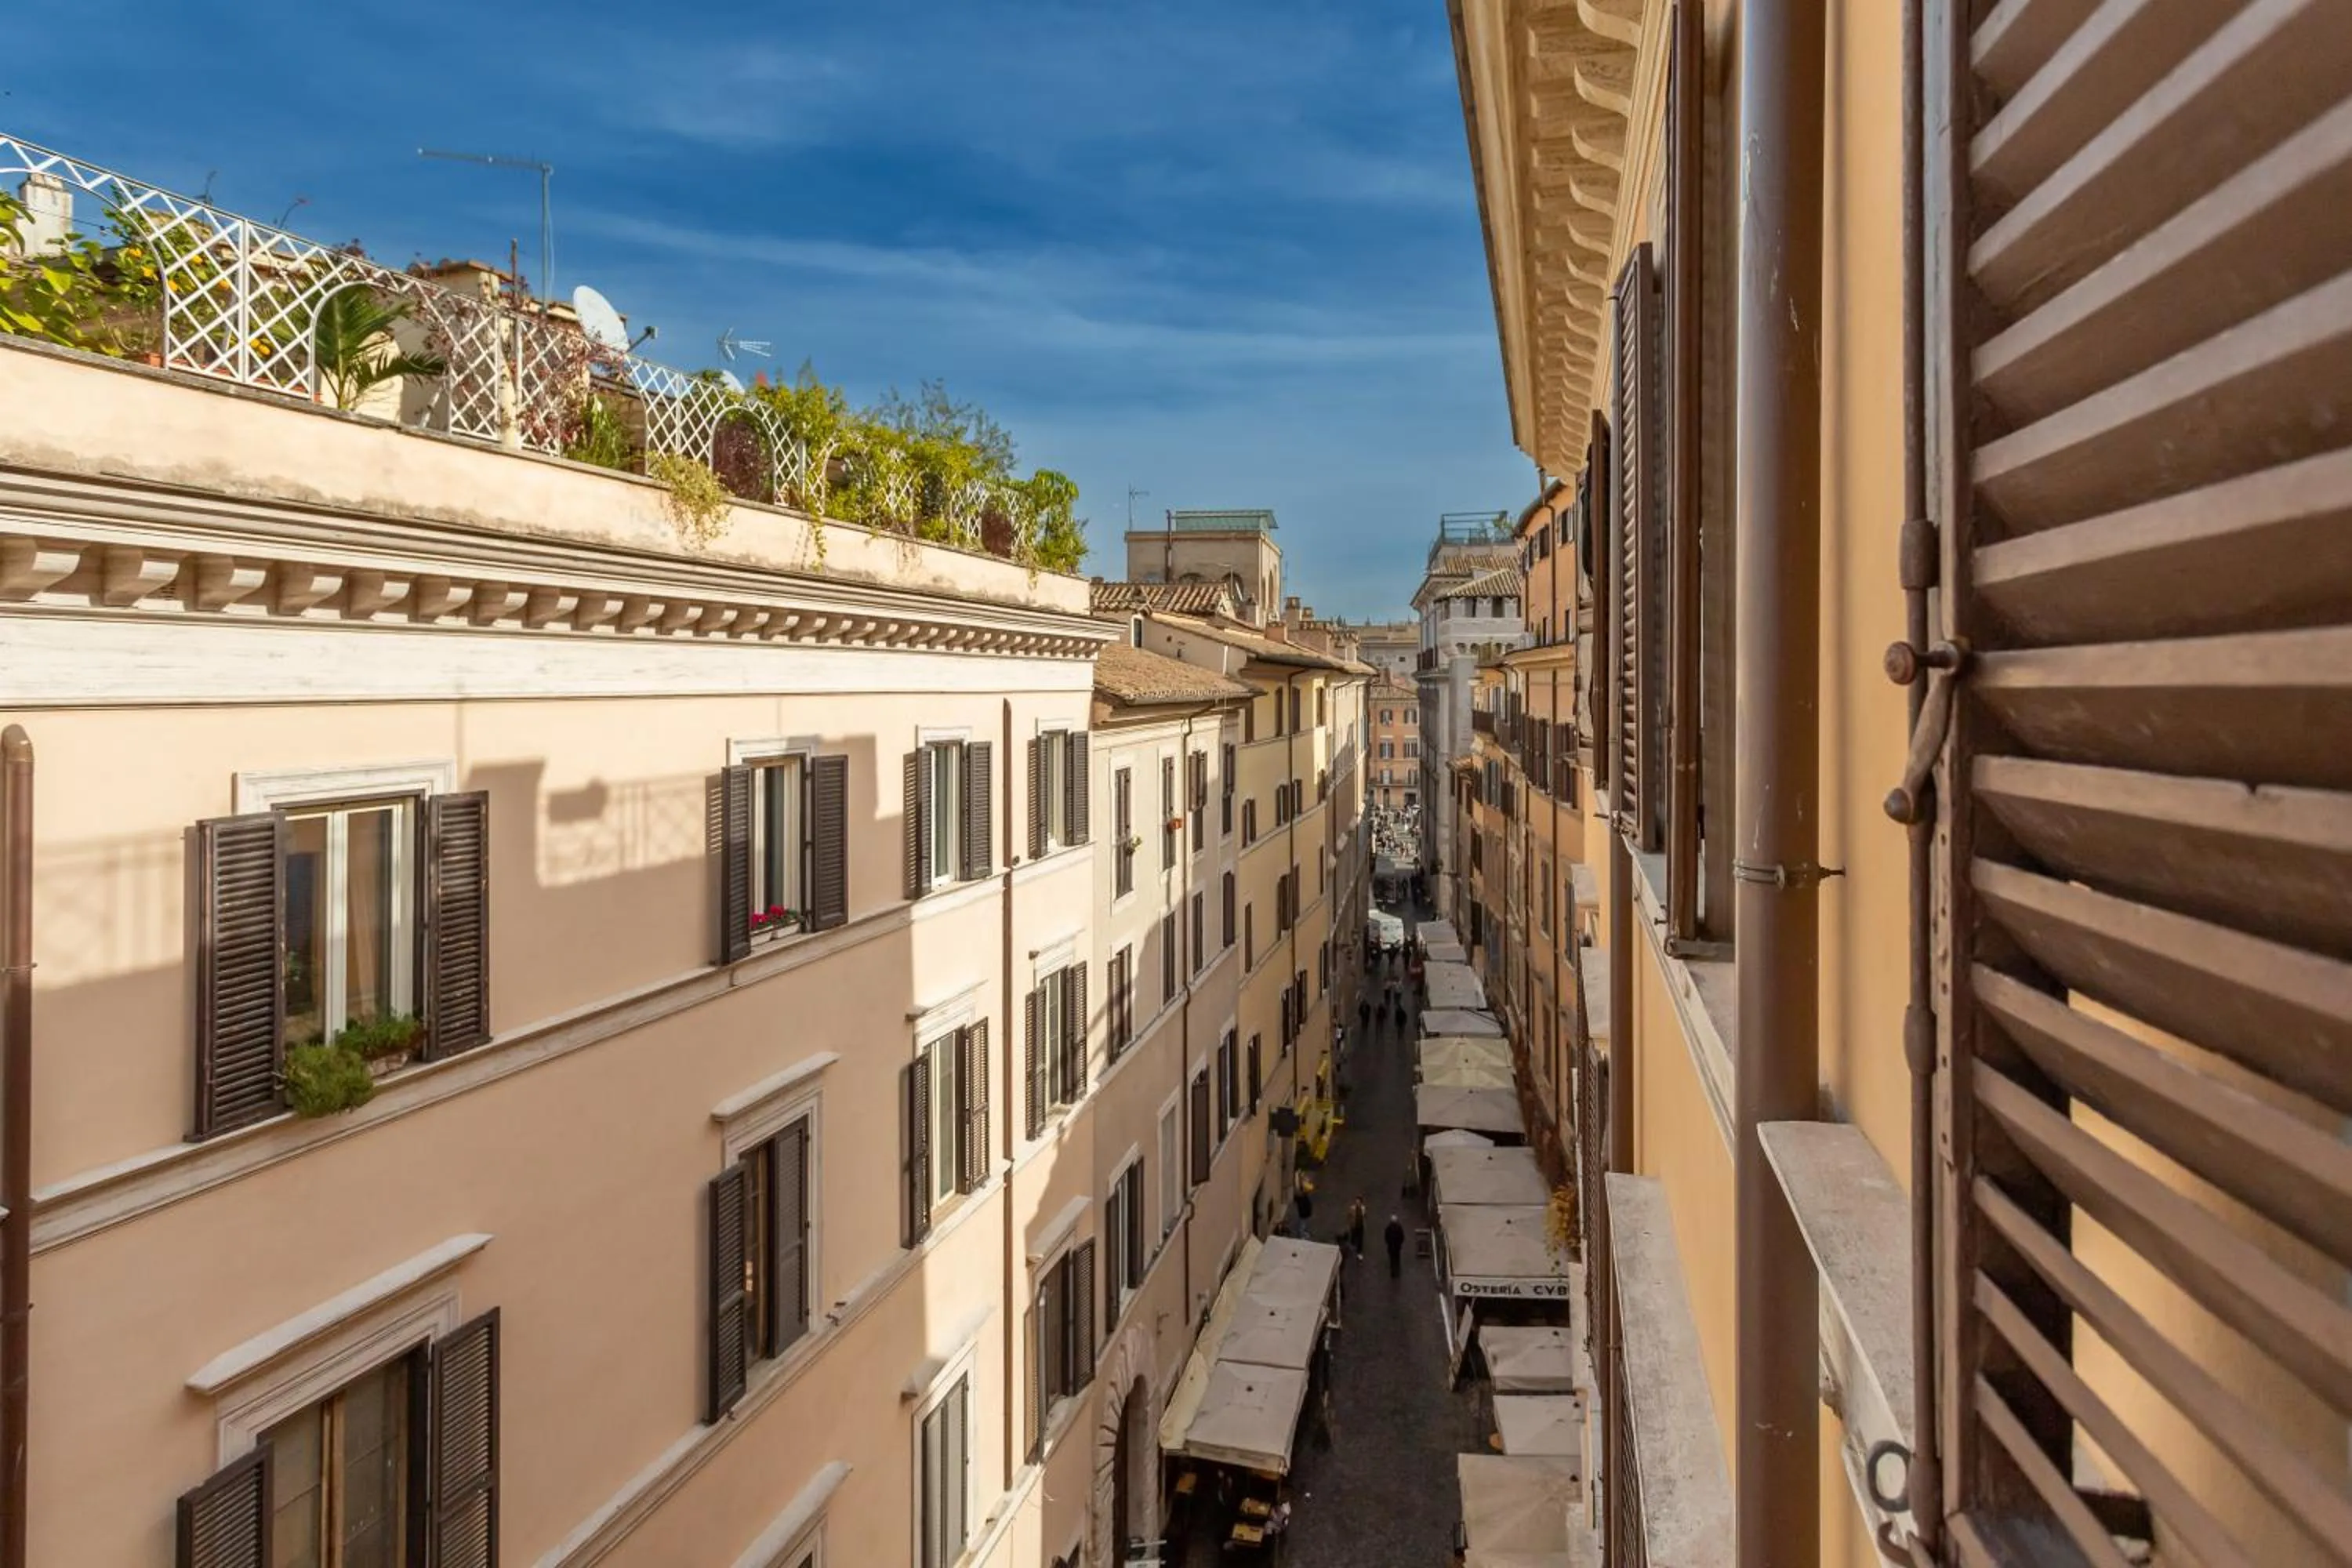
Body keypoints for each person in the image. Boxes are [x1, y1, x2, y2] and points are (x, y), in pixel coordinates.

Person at [1384, 1214, 1406, 1278]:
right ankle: (1397, 1271)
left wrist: (1388, 1243)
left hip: (1391, 1247)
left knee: (1392, 1260)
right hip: (1397, 1247)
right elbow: (1402, 1237)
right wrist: (1400, 1243)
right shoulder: (1399, 1228)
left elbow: (1386, 1237)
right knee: (1397, 1259)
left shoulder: (1388, 1228)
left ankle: (1393, 1272)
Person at [1347, 1196, 1367, 1260]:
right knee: (1353, 1236)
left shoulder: (1363, 1208)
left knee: (1360, 1239)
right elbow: (1349, 1215)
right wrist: (1350, 1223)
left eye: (1358, 1202)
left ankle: (1359, 1252)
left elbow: (1365, 1216)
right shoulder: (1352, 1208)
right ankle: (1352, 1244)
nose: (1357, 1203)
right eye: (1356, 1202)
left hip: (1360, 1226)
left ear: (1361, 1203)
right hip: (1354, 1226)